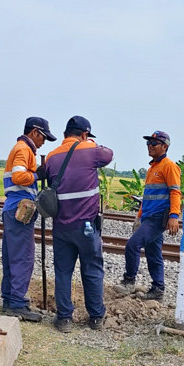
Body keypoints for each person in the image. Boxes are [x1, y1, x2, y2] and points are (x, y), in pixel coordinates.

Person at [44, 116, 113, 332]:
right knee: (92, 269)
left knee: (63, 271)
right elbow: (109, 154)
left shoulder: (52, 156)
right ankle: (95, 317)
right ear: (84, 135)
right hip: (86, 226)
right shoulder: (91, 150)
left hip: (61, 226)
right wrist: (89, 143)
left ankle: (64, 319)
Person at [1, 117, 57, 321]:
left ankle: (9, 299)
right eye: (43, 137)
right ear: (35, 132)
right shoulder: (24, 149)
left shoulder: (20, 148)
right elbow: (18, 177)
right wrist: (37, 175)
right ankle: (17, 303)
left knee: (11, 256)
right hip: (20, 206)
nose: (43, 142)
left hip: (12, 207)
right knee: (23, 257)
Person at [114, 131, 181, 300]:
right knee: (154, 254)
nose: (150, 146)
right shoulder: (153, 168)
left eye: (154, 143)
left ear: (165, 147)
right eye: (148, 143)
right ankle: (157, 290)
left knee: (132, 245)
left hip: (159, 217)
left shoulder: (169, 166)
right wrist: (139, 215)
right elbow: (148, 196)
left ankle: (129, 281)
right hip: (148, 216)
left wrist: (174, 216)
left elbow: (175, 192)